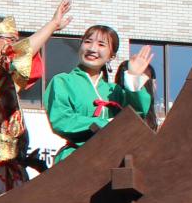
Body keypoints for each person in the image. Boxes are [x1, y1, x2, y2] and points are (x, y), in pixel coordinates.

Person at [0, 1, 71, 203]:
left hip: (12, 165)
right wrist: (52, 25)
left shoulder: (1, 75)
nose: (14, 43)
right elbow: (19, 54)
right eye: (10, 39)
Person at [43, 26, 155, 161]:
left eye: (101, 44)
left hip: (112, 160)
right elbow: (62, 120)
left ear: (111, 55)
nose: (92, 49)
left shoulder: (115, 90)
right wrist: (107, 123)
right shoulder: (62, 82)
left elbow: (135, 116)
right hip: (74, 160)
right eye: (88, 42)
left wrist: (133, 76)